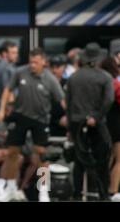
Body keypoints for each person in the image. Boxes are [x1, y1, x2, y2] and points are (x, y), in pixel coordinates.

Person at [0, 48, 66, 202]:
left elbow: (62, 99)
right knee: (12, 153)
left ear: (43, 62)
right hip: (20, 116)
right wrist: (2, 109)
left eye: (35, 62)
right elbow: (7, 89)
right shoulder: (20, 72)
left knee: (41, 155)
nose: (32, 65)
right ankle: (9, 187)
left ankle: (43, 192)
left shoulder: (50, 79)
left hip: (40, 120)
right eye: (30, 61)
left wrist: (70, 116)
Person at [66, 43, 114, 201]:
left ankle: (77, 194)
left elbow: (69, 103)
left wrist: (70, 128)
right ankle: (103, 194)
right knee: (102, 159)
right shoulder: (105, 77)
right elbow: (109, 100)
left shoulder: (73, 77)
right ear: (98, 58)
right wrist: (97, 116)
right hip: (97, 123)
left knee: (79, 161)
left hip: (76, 122)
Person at [100, 57, 120, 201]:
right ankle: (112, 190)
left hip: (103, 125)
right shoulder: (115, 84)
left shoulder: (99, 84)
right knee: (119, 159)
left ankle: (102, 187)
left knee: (108, 158)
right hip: (117, 123)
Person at [48, 55, 68, 137]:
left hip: (65, 120)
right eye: (52, 67)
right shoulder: (45, 83)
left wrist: (68, 116)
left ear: (64, 68)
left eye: (57, 67)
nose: (54, 70)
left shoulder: (68, 83)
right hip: (48, 120)